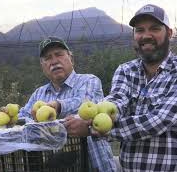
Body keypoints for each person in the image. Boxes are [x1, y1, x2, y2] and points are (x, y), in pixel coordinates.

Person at [88, 4, 177, 171]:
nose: (146, 36)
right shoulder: (125, 70)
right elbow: (117, 100)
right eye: (140, 30)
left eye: (155, 29)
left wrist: (102, 129)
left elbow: (160, 120)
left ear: (169, 33)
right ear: (134, 35)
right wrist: (97, 116)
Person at [18, 36, 117, 171]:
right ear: (43, 67)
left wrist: (59, 106)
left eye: (58, 54)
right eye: (47, 58)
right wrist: (5, 117)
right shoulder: (39, 94)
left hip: (94, 165)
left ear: (71, 59)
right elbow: (22, 118)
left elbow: (87, 103)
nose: (54, 61)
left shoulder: (89, 81)